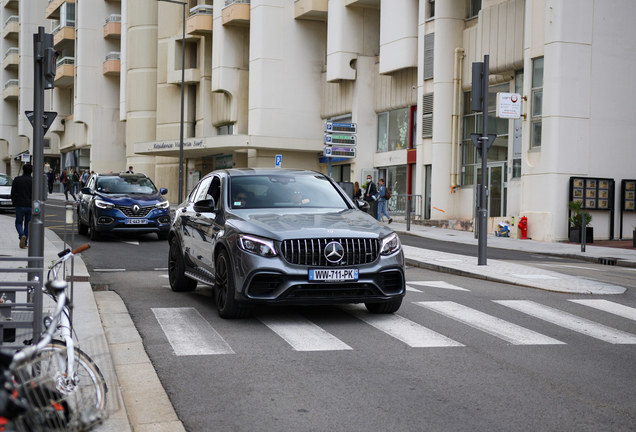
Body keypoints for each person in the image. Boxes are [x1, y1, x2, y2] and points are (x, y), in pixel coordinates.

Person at [10, 164, 33, 249]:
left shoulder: (17, 179)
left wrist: (14, 202)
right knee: (27, 224)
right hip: (30, 205)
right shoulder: (33, 180)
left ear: (23, 171)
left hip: (20, 204)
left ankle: (21, 235)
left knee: (18, 223)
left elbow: (13, 193)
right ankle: (25, 243)